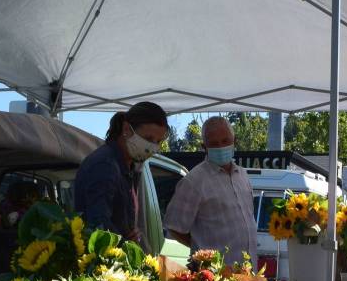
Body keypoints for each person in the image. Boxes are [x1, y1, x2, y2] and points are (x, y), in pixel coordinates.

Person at [165, 116, 257, 265]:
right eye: (214, 144)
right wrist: (202, 252)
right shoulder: (194, 181)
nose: (221, 147)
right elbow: (174, 227)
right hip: (215, 277)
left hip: (248, 271)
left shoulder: (243, 175)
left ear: (235, 141)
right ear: (204, 146)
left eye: (225, 141)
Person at [74, 102, 168, 240]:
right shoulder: (105, 165)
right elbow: (98, 225)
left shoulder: (129, 167)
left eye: (158, 141)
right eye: (148, 139)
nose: (152, 147)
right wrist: (124, 243)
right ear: (126, 129)